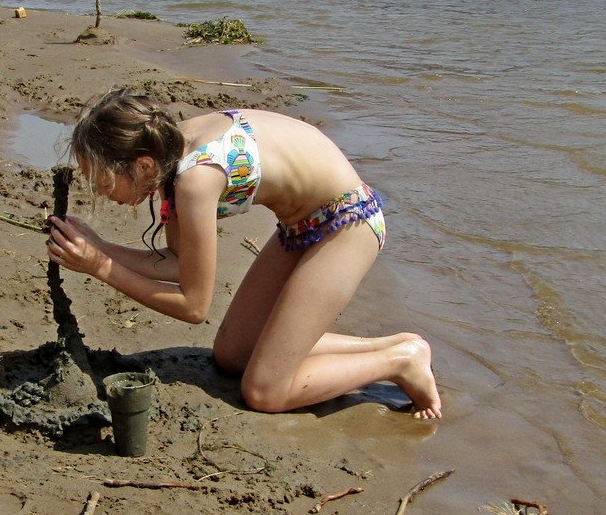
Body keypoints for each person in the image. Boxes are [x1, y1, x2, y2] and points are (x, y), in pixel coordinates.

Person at [45, 89, 443, 419]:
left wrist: (100, 266)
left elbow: (193, 305)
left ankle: (400, 361)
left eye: (103, 180)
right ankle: (395, 344)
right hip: (300, 226)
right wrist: (98, 246)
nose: (99, 192)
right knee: (233, 355)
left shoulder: (195, 180)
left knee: (264, 391)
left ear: (143, 163)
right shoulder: (170, 151)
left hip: (348, 225)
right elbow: (178, 261)